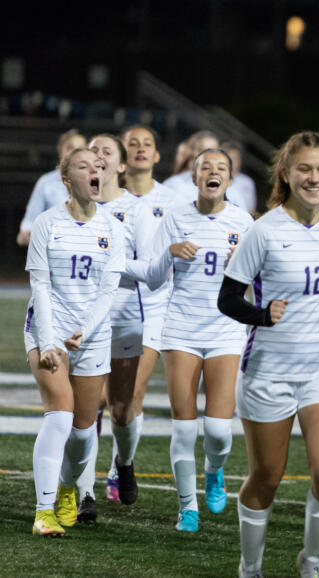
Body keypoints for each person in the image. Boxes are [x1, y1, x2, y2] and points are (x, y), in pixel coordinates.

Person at [217, 131, 319, 578]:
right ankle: (250, 566)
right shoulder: (262, 231)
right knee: (266, 476)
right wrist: (262, 316)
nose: (314, 177)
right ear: (286, 172)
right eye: (305, 168)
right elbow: (228, 299)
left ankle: (312, 560)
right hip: (268, 371)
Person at [132, 148, 252, 532]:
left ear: (229, 181)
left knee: (217, 429)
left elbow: (261, 282)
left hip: (226, 329)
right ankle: (187, 506)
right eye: (205, 168)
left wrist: (246, 266)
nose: (213, 173)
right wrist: (169, 253)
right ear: (194, 178)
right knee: (184, 426)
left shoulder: (244, 221)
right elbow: (151, 278)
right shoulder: (176, 217)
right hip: (181, 329)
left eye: (221, 169)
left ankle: (214, 472)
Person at [24, 147, 125, 536]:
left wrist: (86, 330)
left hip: (93, 336)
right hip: (47, 331)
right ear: (67, 181)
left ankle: (68, 487)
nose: (95, 170)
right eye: (84, 167)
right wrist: (50, 342)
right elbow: (41, 286)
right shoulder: (47, 224)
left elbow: (108, 291)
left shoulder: (113, 228)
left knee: (84, 434)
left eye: (99, 166)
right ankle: (44, 511)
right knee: (60, 415)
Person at [105, 125, 180, 505]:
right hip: (107, 306)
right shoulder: (101, 199)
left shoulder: (172, 199)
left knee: (132, 395)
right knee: (108, 402)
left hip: (152, 307)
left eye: (146, 143)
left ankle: (122, 463)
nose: (139, 149)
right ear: (120, 158)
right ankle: (97, 474)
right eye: (131, 143)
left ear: (157, 156)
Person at [71, 134, 142, 520]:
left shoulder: (137, 211)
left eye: (106, 152)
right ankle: (85, 494)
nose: (97, 156)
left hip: (125, 317)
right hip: (82, 321)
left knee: (121, 409)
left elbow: (150, 269)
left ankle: (125, 461)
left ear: (120, 166)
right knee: (87, 410)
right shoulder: (70, 209)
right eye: (92, 150)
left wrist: (115, 266)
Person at [17, 129, 87, 246]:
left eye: (81, 149)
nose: (75, 153)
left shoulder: (95, 183)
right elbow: (27, 228)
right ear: (60, 150)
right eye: (70, 147)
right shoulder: (46, 182)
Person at [163, 131, 220, 201]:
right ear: (193, 152)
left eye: (213, 150)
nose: (207, 155)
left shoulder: (229, 188)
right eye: (201, 150)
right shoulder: (173, 184)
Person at [221, 140, 259, 217]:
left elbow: (251, 209)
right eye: (231, 158)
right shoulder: (215, 180)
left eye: (237, 159)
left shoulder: (247, 182)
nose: (234, 162)